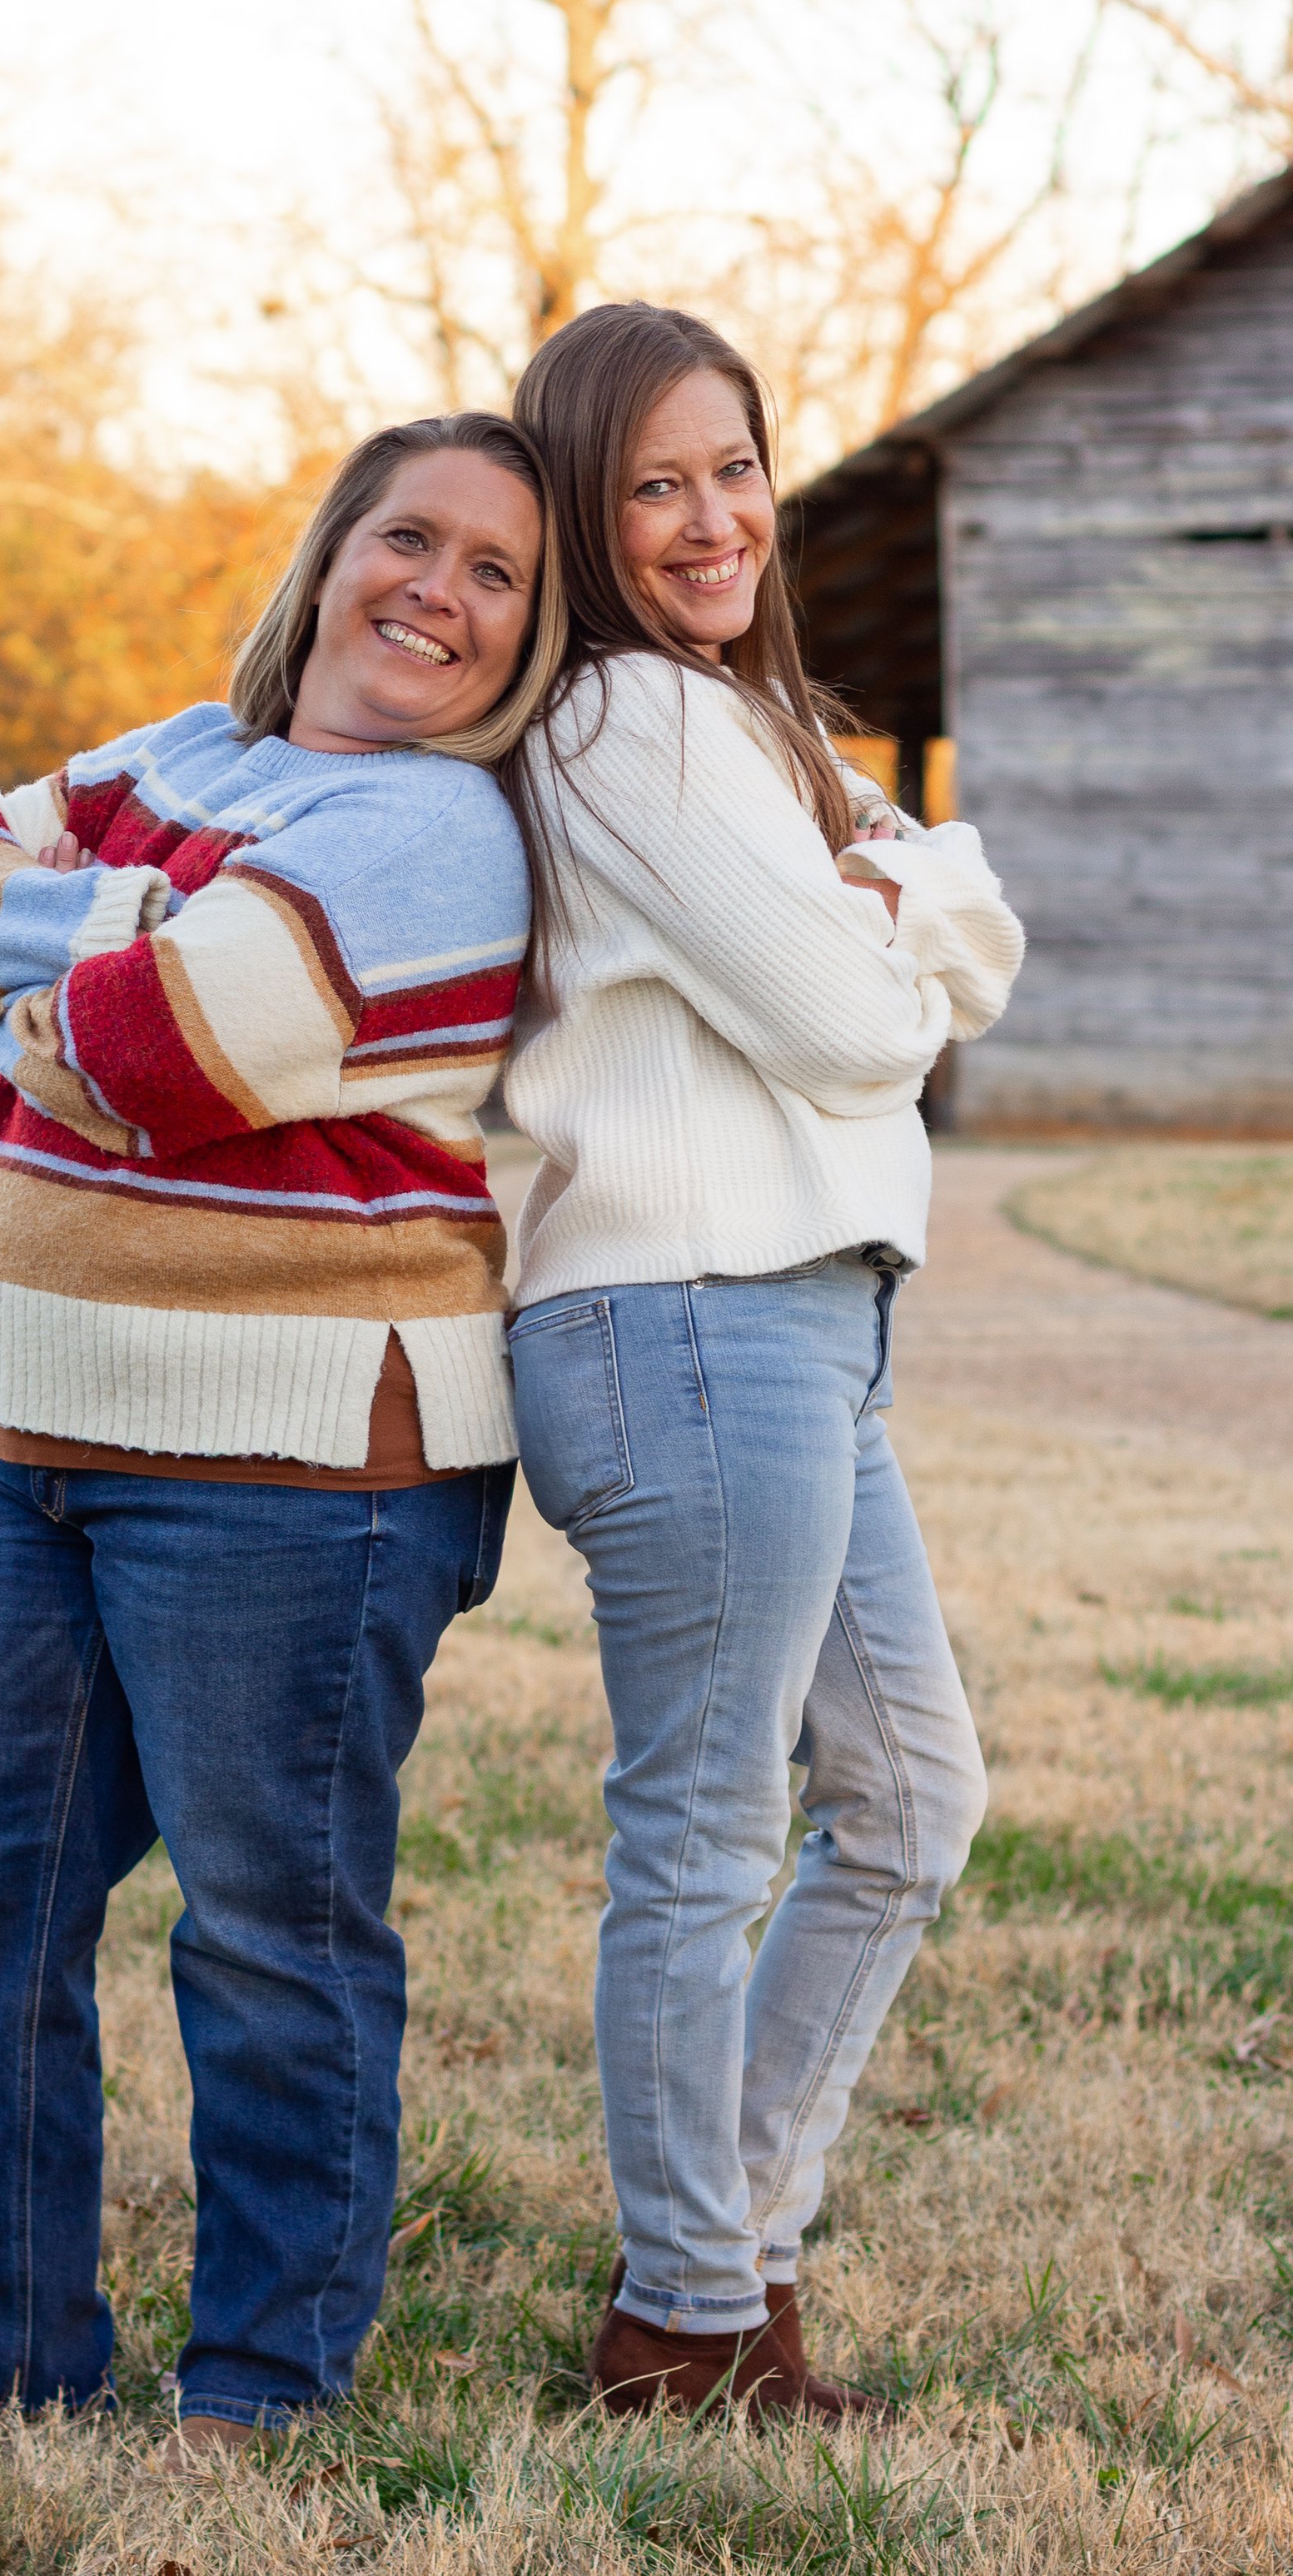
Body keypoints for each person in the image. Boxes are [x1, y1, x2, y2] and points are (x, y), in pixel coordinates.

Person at [0, 414, 564, 2461]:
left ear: (525, 634)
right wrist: (89, 957)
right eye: (410, 537)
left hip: (299, 1476)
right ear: (328, 554)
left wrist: (55, 967)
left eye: (496, 574)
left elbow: (166, 1043)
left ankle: (265, 2384)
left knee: (268, 1934)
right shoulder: (186, 759)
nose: (439, 591)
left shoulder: (440, 834)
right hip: (28, 1436)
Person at [500, 304, 1025, 2419]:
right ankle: (691, 2324)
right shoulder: (631, 724)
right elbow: (866, 1022)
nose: (710, 518)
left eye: (733, 467)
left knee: (907, 1799)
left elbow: (937, 942)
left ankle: (725, 2262)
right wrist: (885, 912)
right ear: (581, 510)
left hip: (794, 1315)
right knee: (705, 1840)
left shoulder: (752, 716)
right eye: (652, 484)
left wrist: (880, 899)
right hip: (685, 1316)